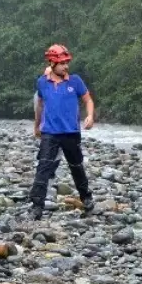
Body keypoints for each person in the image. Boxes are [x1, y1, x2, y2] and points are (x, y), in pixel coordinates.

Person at [29, 43, 96, 220]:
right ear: (52, 63)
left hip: (71, 132)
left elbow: (88, 100)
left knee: (76, 167)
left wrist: (90, 116)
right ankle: (37, 207)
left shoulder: (75, 81)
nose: (66, 66)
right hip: (50, 132)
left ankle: (86, 199)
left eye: (67, 62)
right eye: (62, 63)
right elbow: (40, 106)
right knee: (43, 167)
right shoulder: (42, 82)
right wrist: (37, 126)